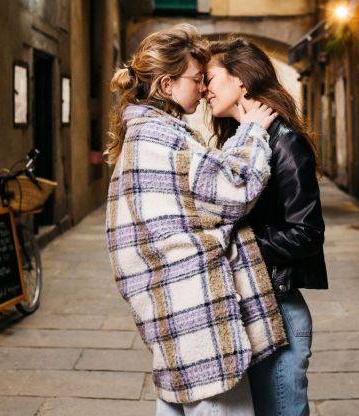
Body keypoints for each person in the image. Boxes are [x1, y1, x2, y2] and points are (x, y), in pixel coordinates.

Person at [104, 24, 287, 415]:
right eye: (197, 79)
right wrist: (253, 132)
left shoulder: (147, 133)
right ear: (167, 85)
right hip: (196, 315)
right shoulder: (162, 137)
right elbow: (232, 192)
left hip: (175, 313)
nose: (204, 88)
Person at [205, 37, 328, 416]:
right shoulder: (241, 142)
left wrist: (237, 245)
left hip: (278, 307)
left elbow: (307, 232)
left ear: (240, 82)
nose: (205, 89)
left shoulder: (285, 142)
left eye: (211, 78)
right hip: (251, 303)